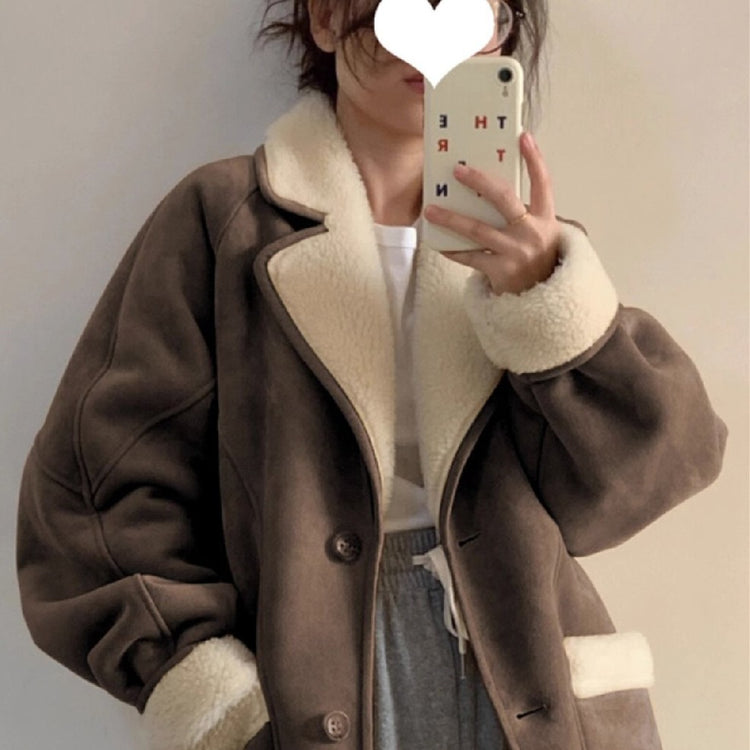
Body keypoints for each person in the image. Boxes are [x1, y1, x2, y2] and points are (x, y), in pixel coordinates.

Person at [15, 1, 727, 749]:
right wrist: (216, 699)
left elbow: (641, 482)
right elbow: (90, 503)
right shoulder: (225, 224)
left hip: (523, 671)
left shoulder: (530, 253)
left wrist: (547, 302)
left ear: (499, 35)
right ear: (327, 20)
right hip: (313, 670)